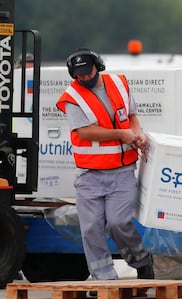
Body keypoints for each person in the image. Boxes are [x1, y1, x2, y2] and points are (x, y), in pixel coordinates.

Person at [56, 48, 154, 283]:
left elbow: (131, 116)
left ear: (97, 66)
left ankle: (142, 261)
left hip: (122, 172)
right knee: (91, 228)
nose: (84, 78)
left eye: (87, 72)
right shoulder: (72, 97)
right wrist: (122, 135)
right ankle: (104, 277)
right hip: (90, 175)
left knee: (119, 222)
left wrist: (137, 133)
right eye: (79, 75)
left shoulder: (119, 84)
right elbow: (85, 132)